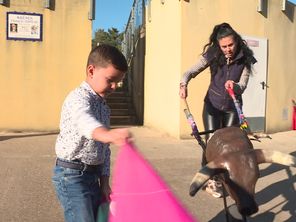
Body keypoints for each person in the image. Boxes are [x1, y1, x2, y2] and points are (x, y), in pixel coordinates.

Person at [52, 44, 132, 222]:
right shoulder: (78, 98)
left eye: (118, 82)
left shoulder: (103, 106)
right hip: (71, 176)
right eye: (110, 80)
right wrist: (108, 134)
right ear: (91, 71)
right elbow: (84, 121)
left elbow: (104, 150)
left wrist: (104, 182)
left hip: (93, 177)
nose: (114, 86)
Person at [179, 23, 256, 198]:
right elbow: (190, 71)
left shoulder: (246, 58)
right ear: (218, 45)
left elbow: (243, 85)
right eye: (224, 46)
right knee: (210, 144)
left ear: (236, 41)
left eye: (231, 45)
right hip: (212, 105)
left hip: (231, 107)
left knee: (227, 145)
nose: (227, 49)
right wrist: (184, 83)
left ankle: (222, 179)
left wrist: (234, 86)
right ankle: (208, 177)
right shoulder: (213, 54)